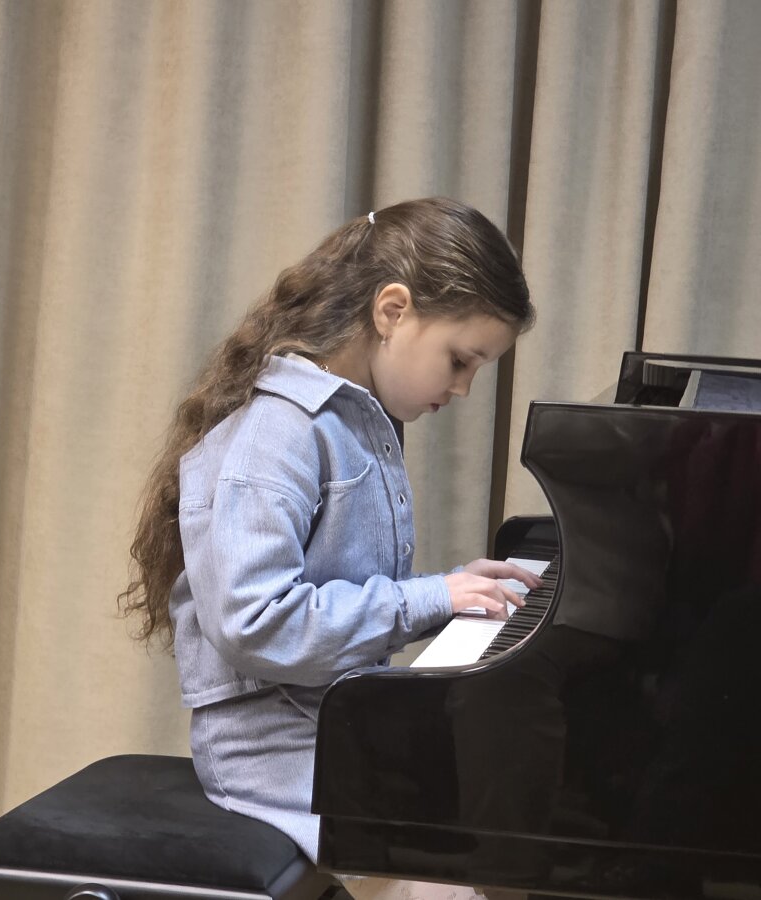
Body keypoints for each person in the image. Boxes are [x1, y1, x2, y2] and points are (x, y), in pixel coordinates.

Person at [119, 197, 543, 900]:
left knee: (504, 809)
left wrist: (451, 592)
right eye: (460, 360)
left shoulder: (353, 425)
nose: (465, 388)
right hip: (272, 751)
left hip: (330, 724)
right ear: (392, 311)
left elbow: (337, 588)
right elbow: (255, 622)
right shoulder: (278, 434)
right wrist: (427, 599)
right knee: (448, 866)